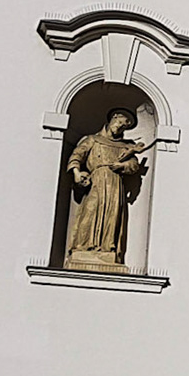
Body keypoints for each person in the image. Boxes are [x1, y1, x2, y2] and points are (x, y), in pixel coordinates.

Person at [65, 108, 154, 269]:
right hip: (96, 181)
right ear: (113, 118)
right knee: (90, 212)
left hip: (115, 183)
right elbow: (77, 155)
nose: (120, 127)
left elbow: (133, 165)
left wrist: (122, 165)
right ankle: (82, 247)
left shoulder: (126, 146)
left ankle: (108, 249)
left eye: (124, 127)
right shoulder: (92, 140)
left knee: (112, 216)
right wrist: (77, 173)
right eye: (119, 123)